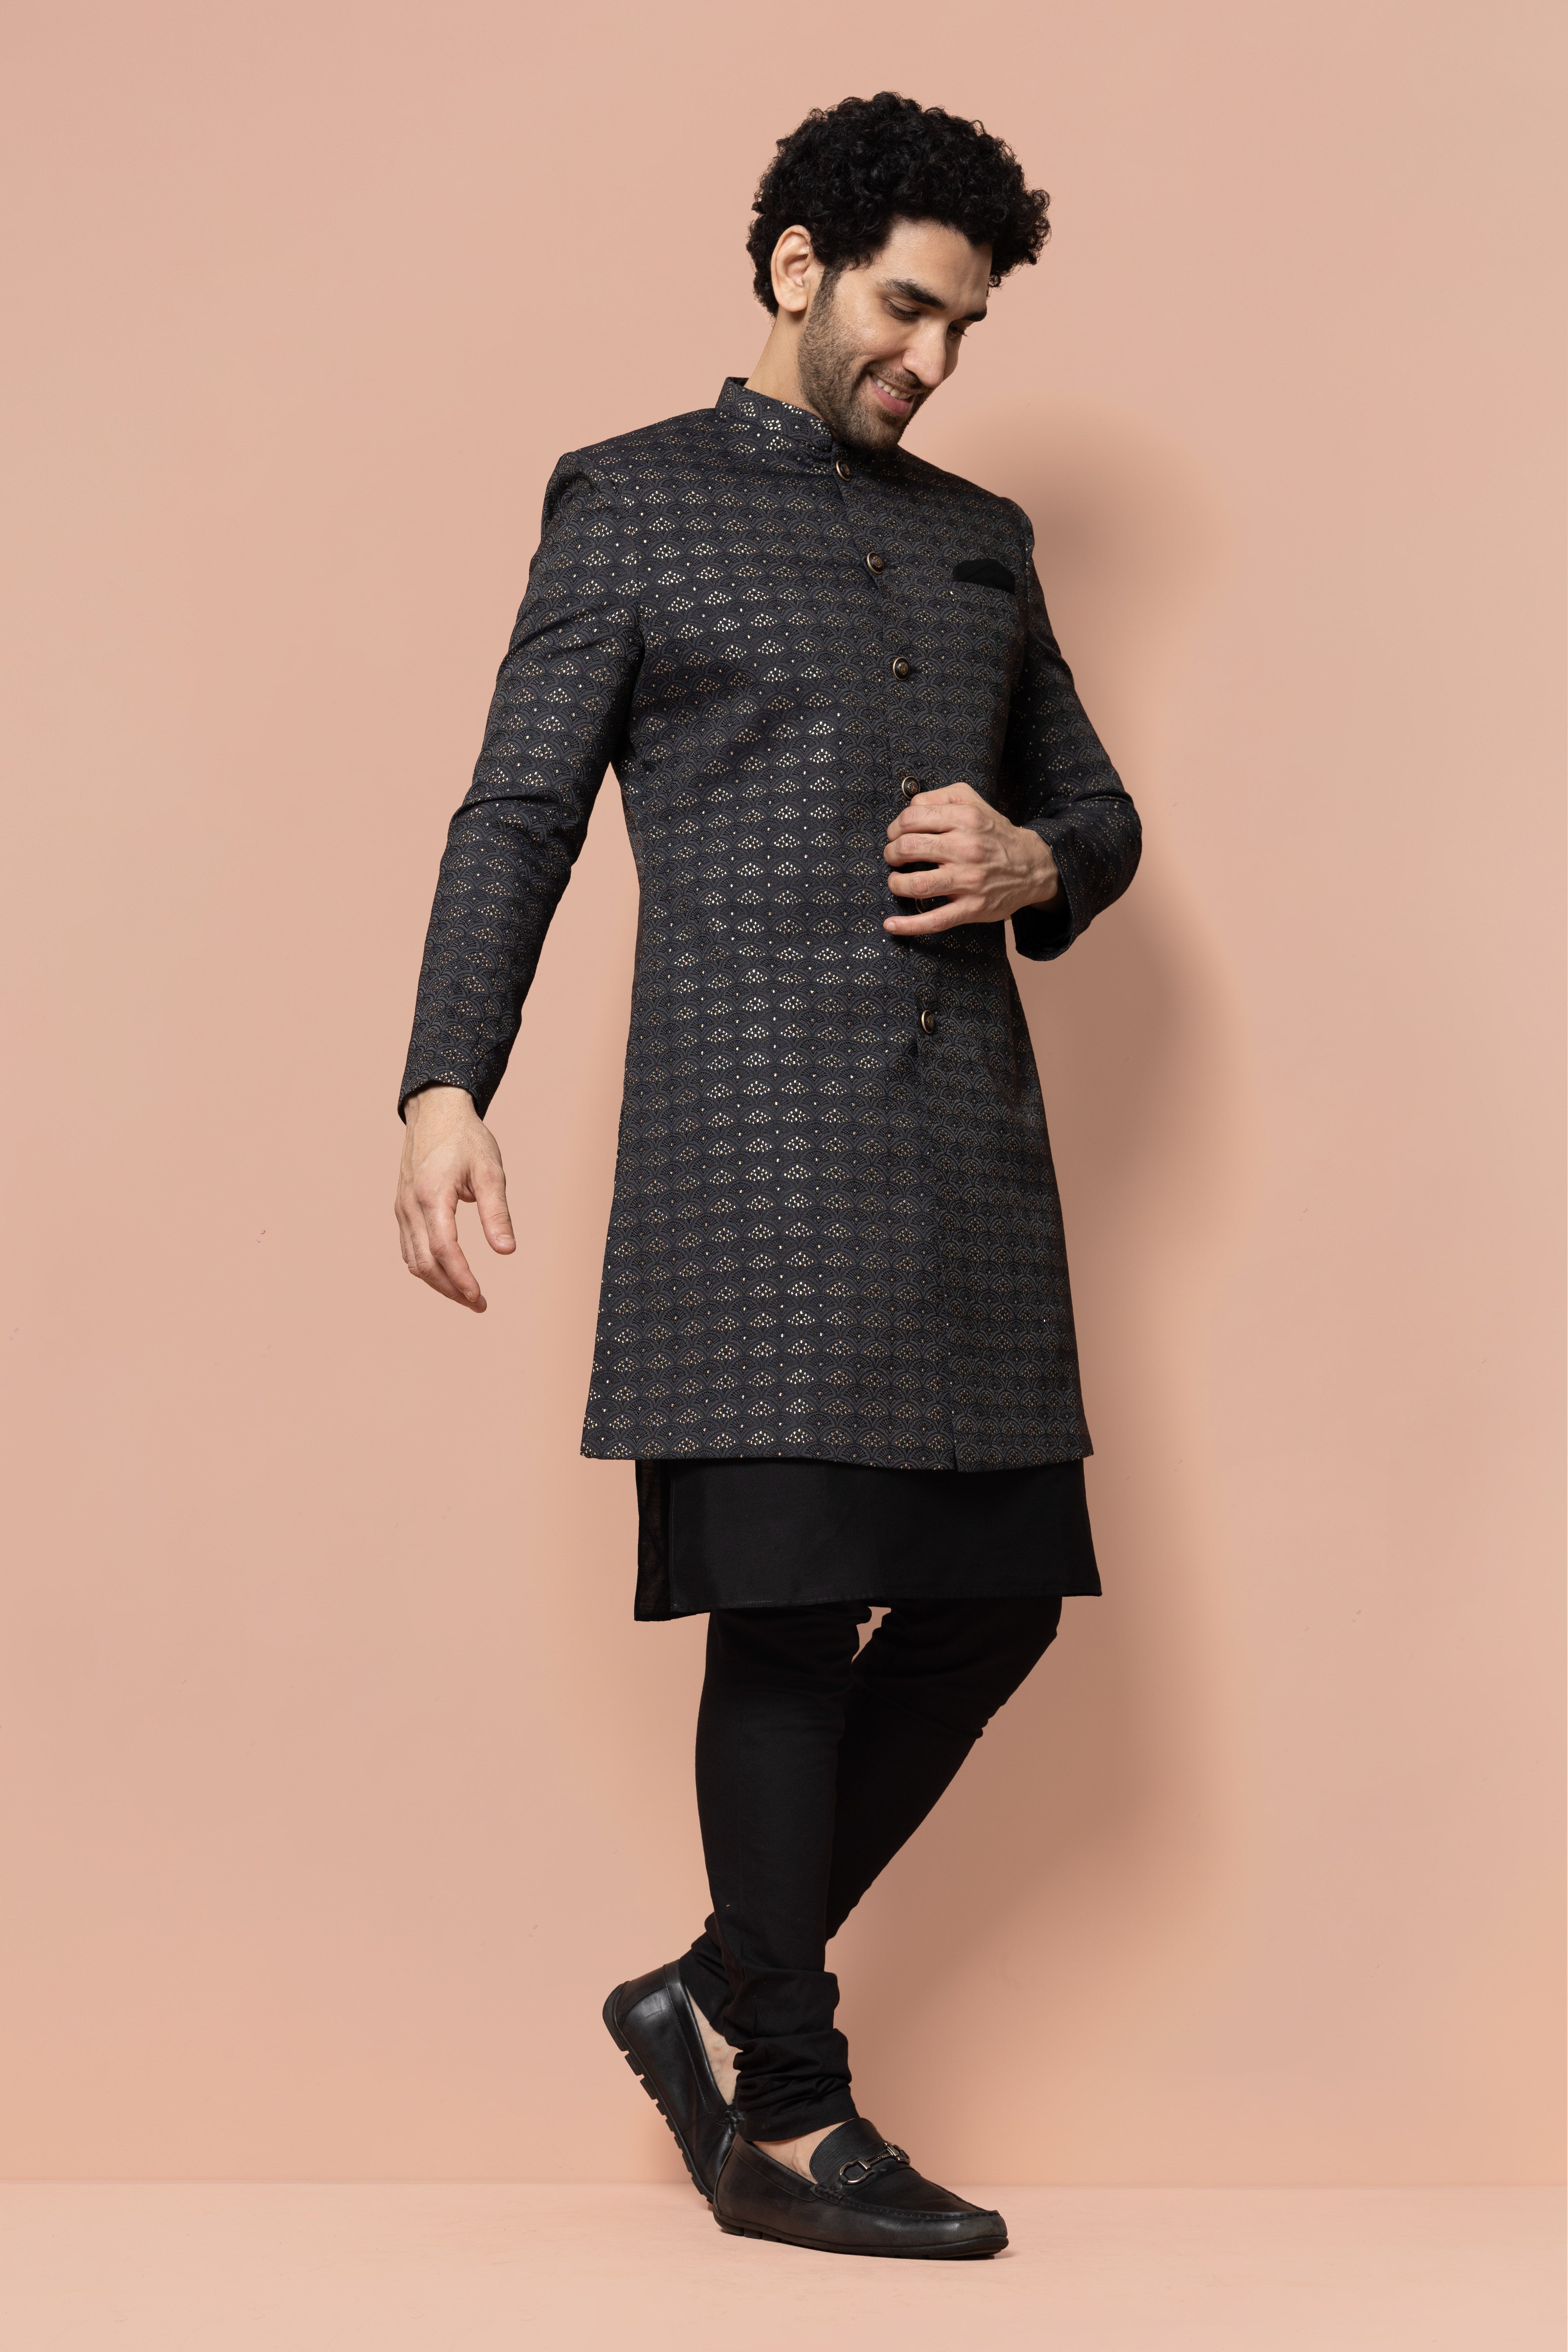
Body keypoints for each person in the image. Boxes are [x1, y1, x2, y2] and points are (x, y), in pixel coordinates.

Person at [394, 91, 1140, 2260]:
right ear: (799, 266)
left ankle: (711, 1991)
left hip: (968, 1161)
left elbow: (1100, 814)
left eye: (967, 327)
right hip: (753, 1173)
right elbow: (517, 811)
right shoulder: (629, 503)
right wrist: (445, 1083)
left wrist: (1035, 857)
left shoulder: (988, 537)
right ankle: (792, 2120)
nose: (934, 358)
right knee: (791, 1619)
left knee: (998, 1604)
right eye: (908, 307)